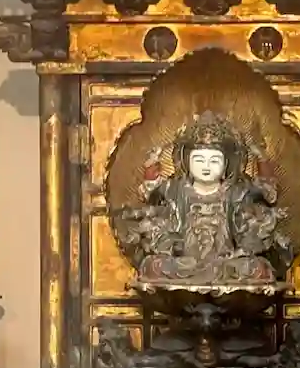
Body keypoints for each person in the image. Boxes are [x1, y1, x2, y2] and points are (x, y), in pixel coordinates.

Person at [116, 112, 290, 285]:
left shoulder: (236, 192)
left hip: (227, 262)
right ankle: (201, 272)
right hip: (184, 263)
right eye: (199, 160)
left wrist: (262, 159)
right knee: (153, 266)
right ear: (186, 162)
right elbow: (150, 193)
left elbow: (267, 194)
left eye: (214, 161)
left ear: (226, 165)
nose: (206, 167)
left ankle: (211, 273)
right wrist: (151, 165)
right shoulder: (176, 189)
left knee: (258, 268)